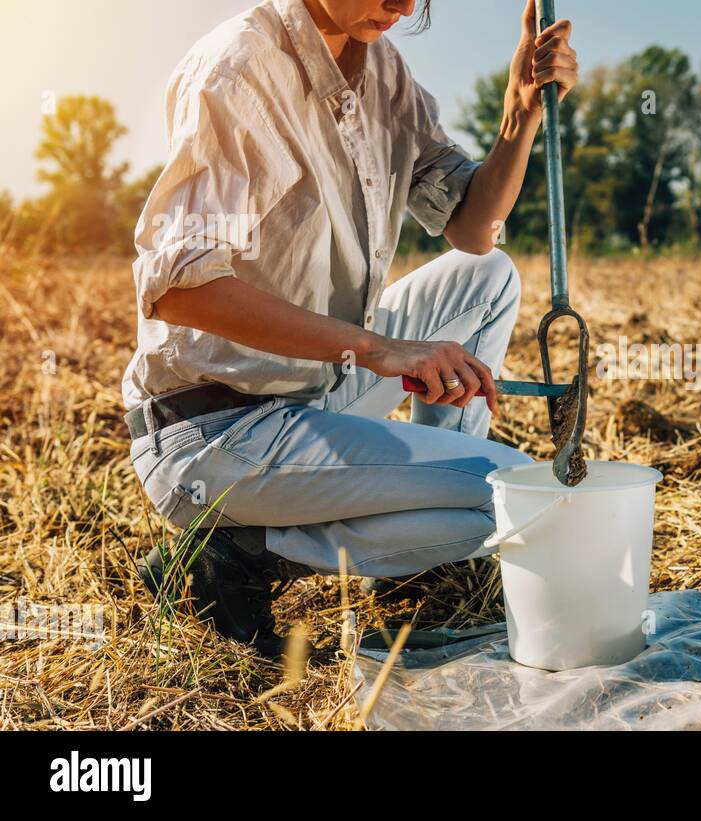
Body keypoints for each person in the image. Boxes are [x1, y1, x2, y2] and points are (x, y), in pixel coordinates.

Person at [123, 0, 580, 654]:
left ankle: (417, 567)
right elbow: (179, 289)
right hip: (216, 431)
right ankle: (235, 550)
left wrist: (521, 107)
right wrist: (378, 348)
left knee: (489, 276)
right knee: (513, 496)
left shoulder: (383, 73)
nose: (402, 4)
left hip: (312, 387)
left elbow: (472, 226)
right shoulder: (238, 71)